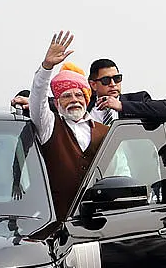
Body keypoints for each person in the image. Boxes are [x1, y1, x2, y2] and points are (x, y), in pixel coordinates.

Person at [28, 31, 109, 219]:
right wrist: (47, 66)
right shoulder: (49, 126)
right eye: (66, 96)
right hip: (56, 221)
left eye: (79, 95)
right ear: (56, 104)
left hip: (98, 222)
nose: (74, 100)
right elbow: (37, 98)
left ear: (86, 98)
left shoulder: (106, 132)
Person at [86, 58, 166, 125]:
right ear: (93, 85)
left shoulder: (138, 99)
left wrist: (121, 106)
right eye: (106, 80)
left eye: (117, 78)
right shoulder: (85, 107)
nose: (113, 84)